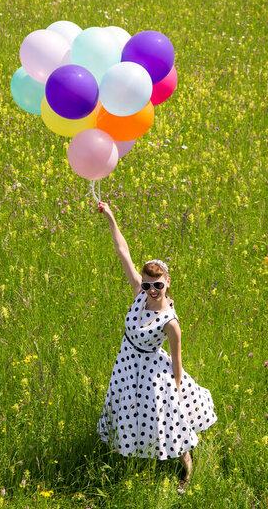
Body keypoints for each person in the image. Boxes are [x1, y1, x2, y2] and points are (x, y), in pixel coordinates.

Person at [96, 201, 218, 494]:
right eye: (148, 284)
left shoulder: (171, 323)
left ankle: (187, 472)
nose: (152, 291)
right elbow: (122, 251)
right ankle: (125, 457)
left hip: (153, 374)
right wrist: (111, 216)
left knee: (169, 423)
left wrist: (175, 392)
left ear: (167, 283)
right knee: (127, 413)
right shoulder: (139, 293)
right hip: (126, 366)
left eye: (158, 286)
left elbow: (177, 361)